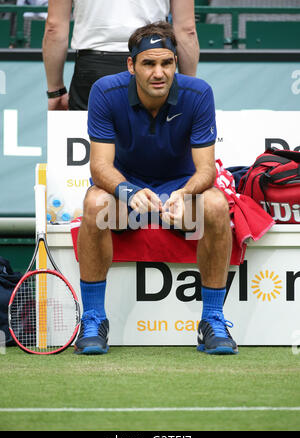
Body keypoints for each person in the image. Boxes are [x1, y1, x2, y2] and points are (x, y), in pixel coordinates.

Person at [74, 21, 238, 356]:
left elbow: (206, 169)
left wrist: (185, 194)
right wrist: (130, 192)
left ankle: (213, 320)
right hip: (127, 191)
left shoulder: (199, 93)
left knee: (217, 206)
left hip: (179, 191)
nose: (159, 72)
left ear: (176, 62)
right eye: (149, 63)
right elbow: (100, 166)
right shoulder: (105, 91)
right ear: (131, 65)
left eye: (167, 63)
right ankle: (93, 319)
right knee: (93, 203)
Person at [42, 0, 200, 111]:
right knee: (150, 151)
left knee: (90, 153)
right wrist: (188, 89)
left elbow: (54, 29)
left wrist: (56, 92)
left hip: (92, 68)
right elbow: (187, 30)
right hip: (150, 62)